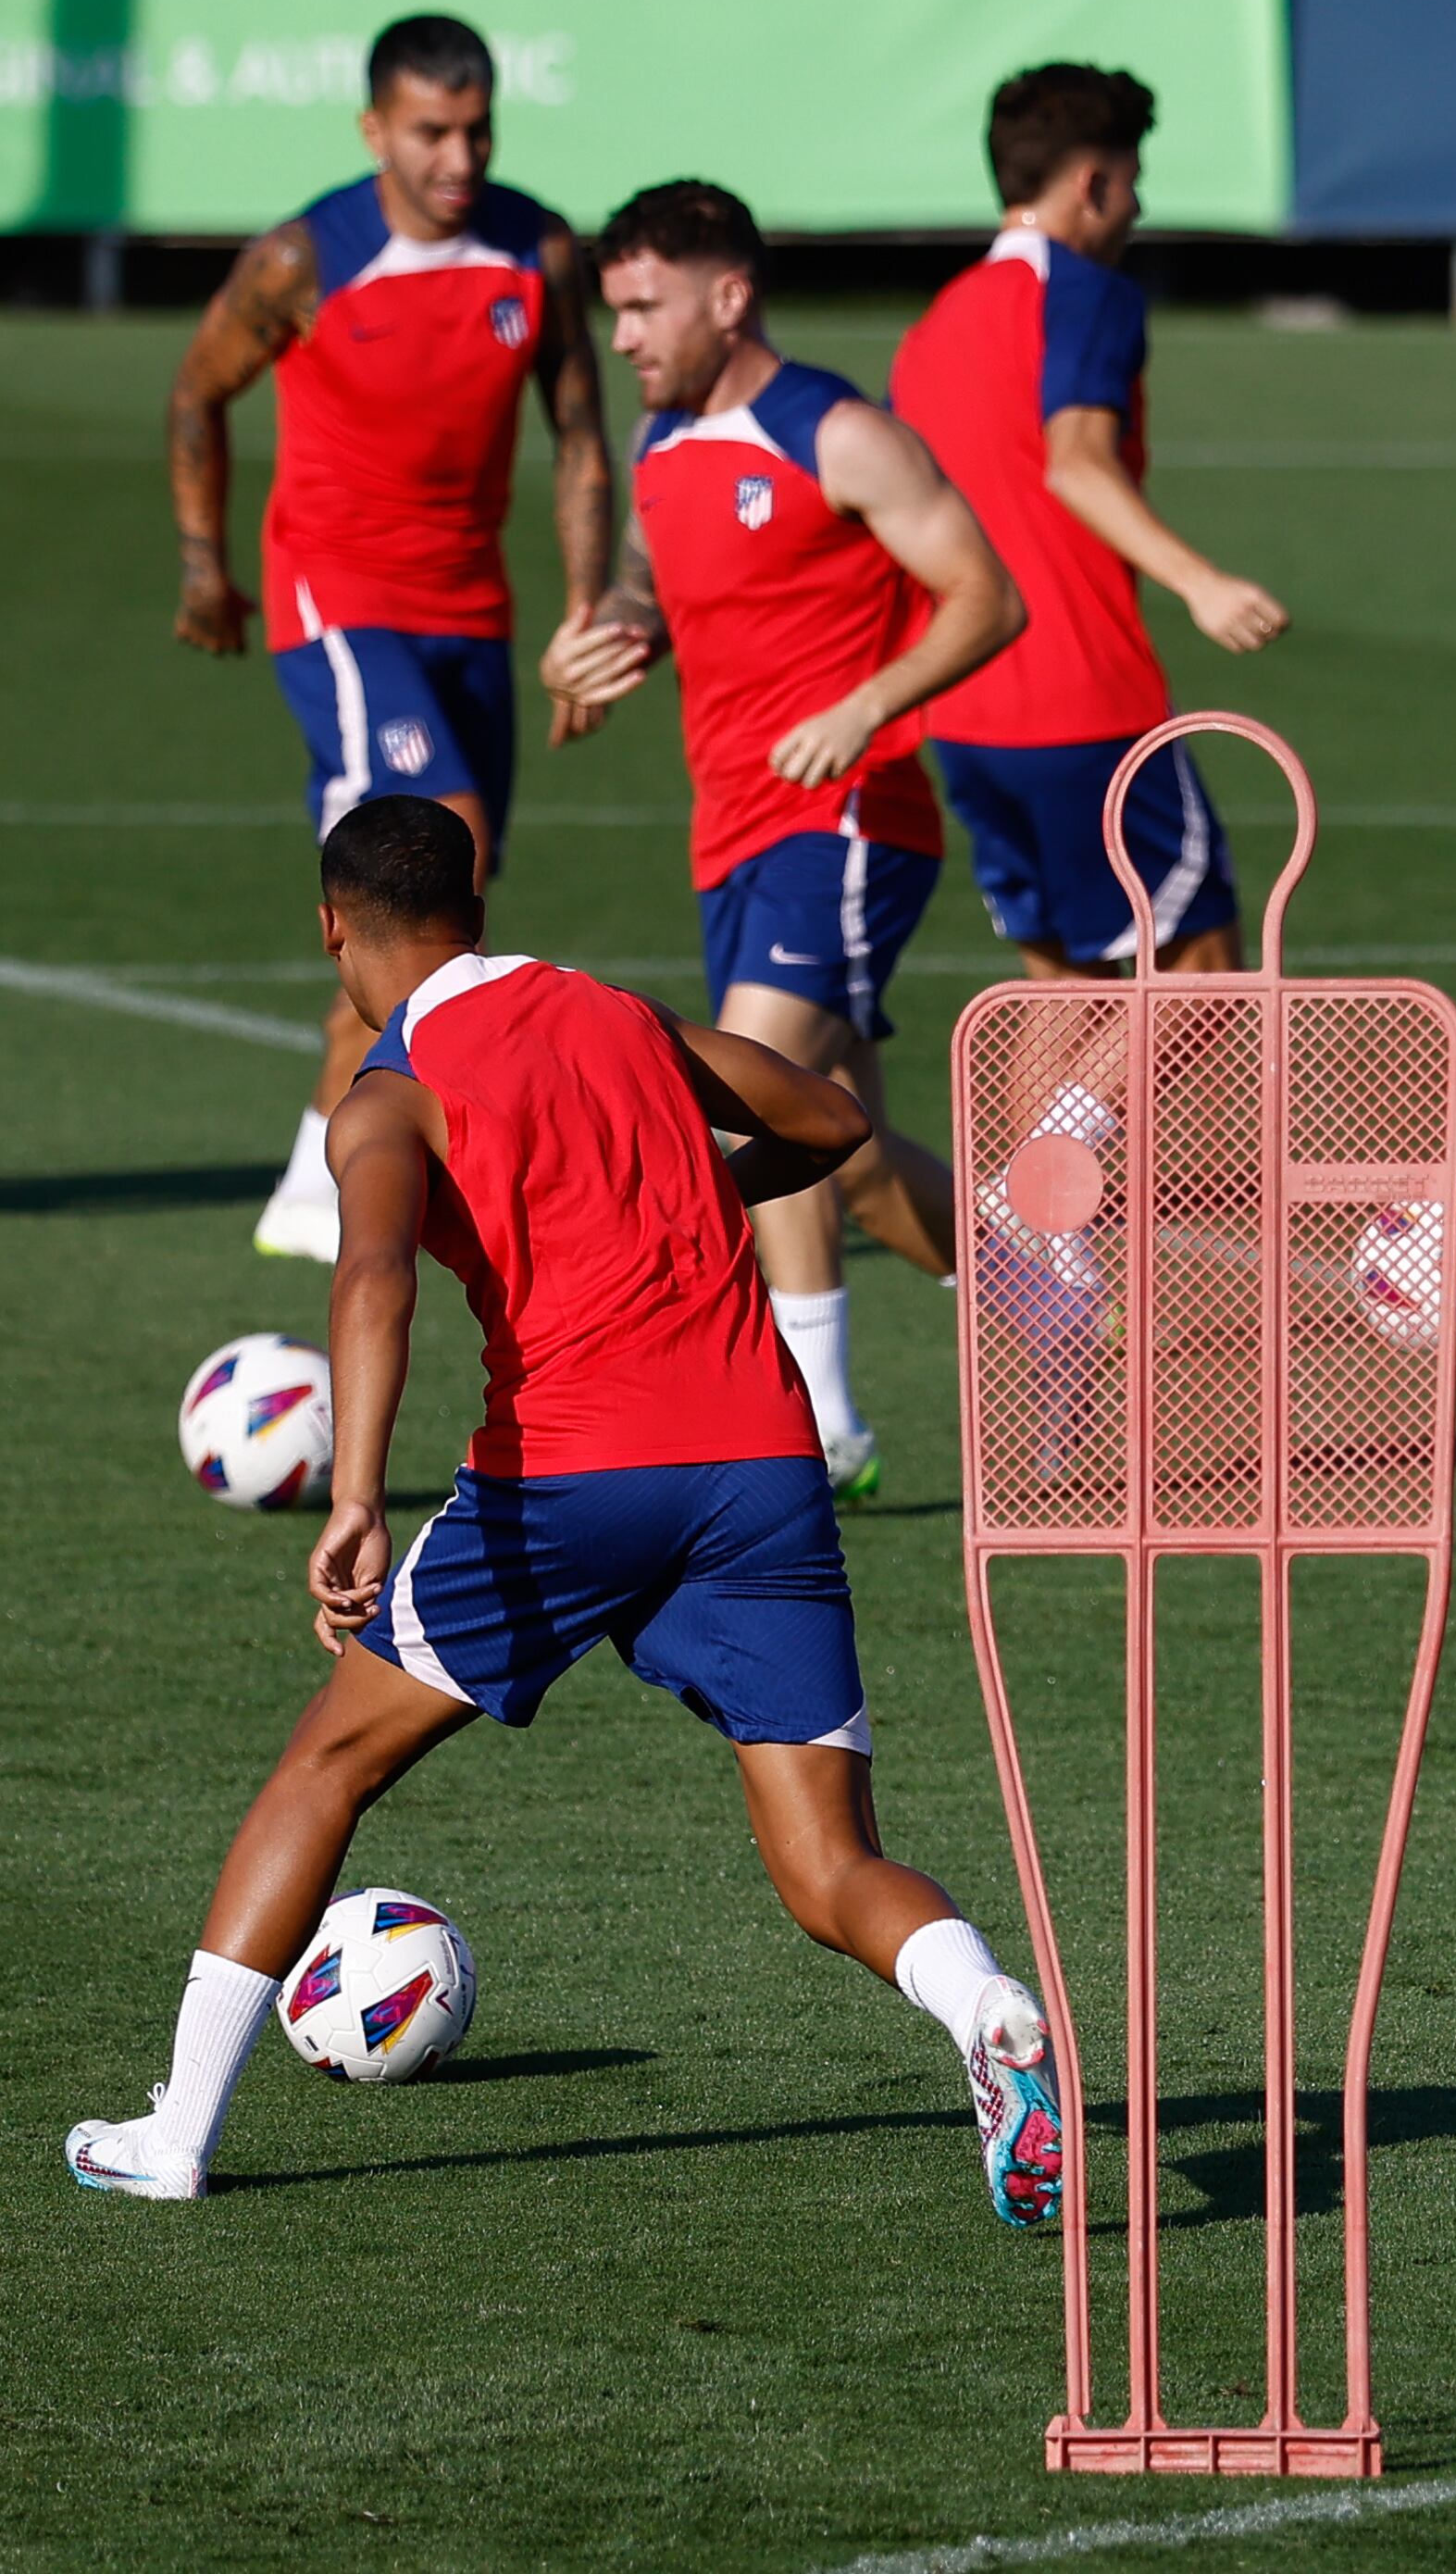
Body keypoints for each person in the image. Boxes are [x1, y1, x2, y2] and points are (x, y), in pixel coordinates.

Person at [66, 798, 1063, 2220]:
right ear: (472, 906)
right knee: (829, 1862)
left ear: (334, 927)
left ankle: (175, 2135)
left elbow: (374, 1280)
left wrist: (357, 1497)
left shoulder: (391, 1091)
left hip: (567, 1481)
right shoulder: (615, 1014)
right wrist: (686, 1189)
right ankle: (989, 2014)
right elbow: (828, 1120)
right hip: (761, 1470)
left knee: (325, 1771)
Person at [541, 181, 1026, 1496]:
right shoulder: (659, 440)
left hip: (854, 816)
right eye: (617, 309)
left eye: (646, 308)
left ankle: (812, 1428)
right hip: (733, 832)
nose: (626, 336)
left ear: (730, 297)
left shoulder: (840, 433)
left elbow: (989, 597)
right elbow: (651, 573)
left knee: (739, 1089)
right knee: (846, 1157)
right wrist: (616, 634)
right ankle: (1052, 1308)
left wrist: (866, 705)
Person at [167, 13, 611, 1265]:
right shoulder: (305, 260)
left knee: (430, 901)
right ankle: (356, 1178)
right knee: (441, 837)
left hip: (474, 612)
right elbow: (198, 388)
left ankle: (312, 1181)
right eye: (431, 131)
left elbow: (578, 432)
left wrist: (584, 611)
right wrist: (206, 561)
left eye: (478, 127)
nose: (459, 154)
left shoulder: (539, 251)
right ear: (375, 132)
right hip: (337, 603)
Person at [890, 63, 1284, 986]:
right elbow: (1076, 460)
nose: (1137, 207)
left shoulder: (931, 327)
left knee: (1063, 990)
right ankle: (1076, 1131)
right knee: (1206, 970)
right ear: (1093, 183)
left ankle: (1047, 1137)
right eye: (1132, 181)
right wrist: (1203, 583)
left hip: (966, 712)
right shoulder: (1088, 294)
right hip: (1084, 703)